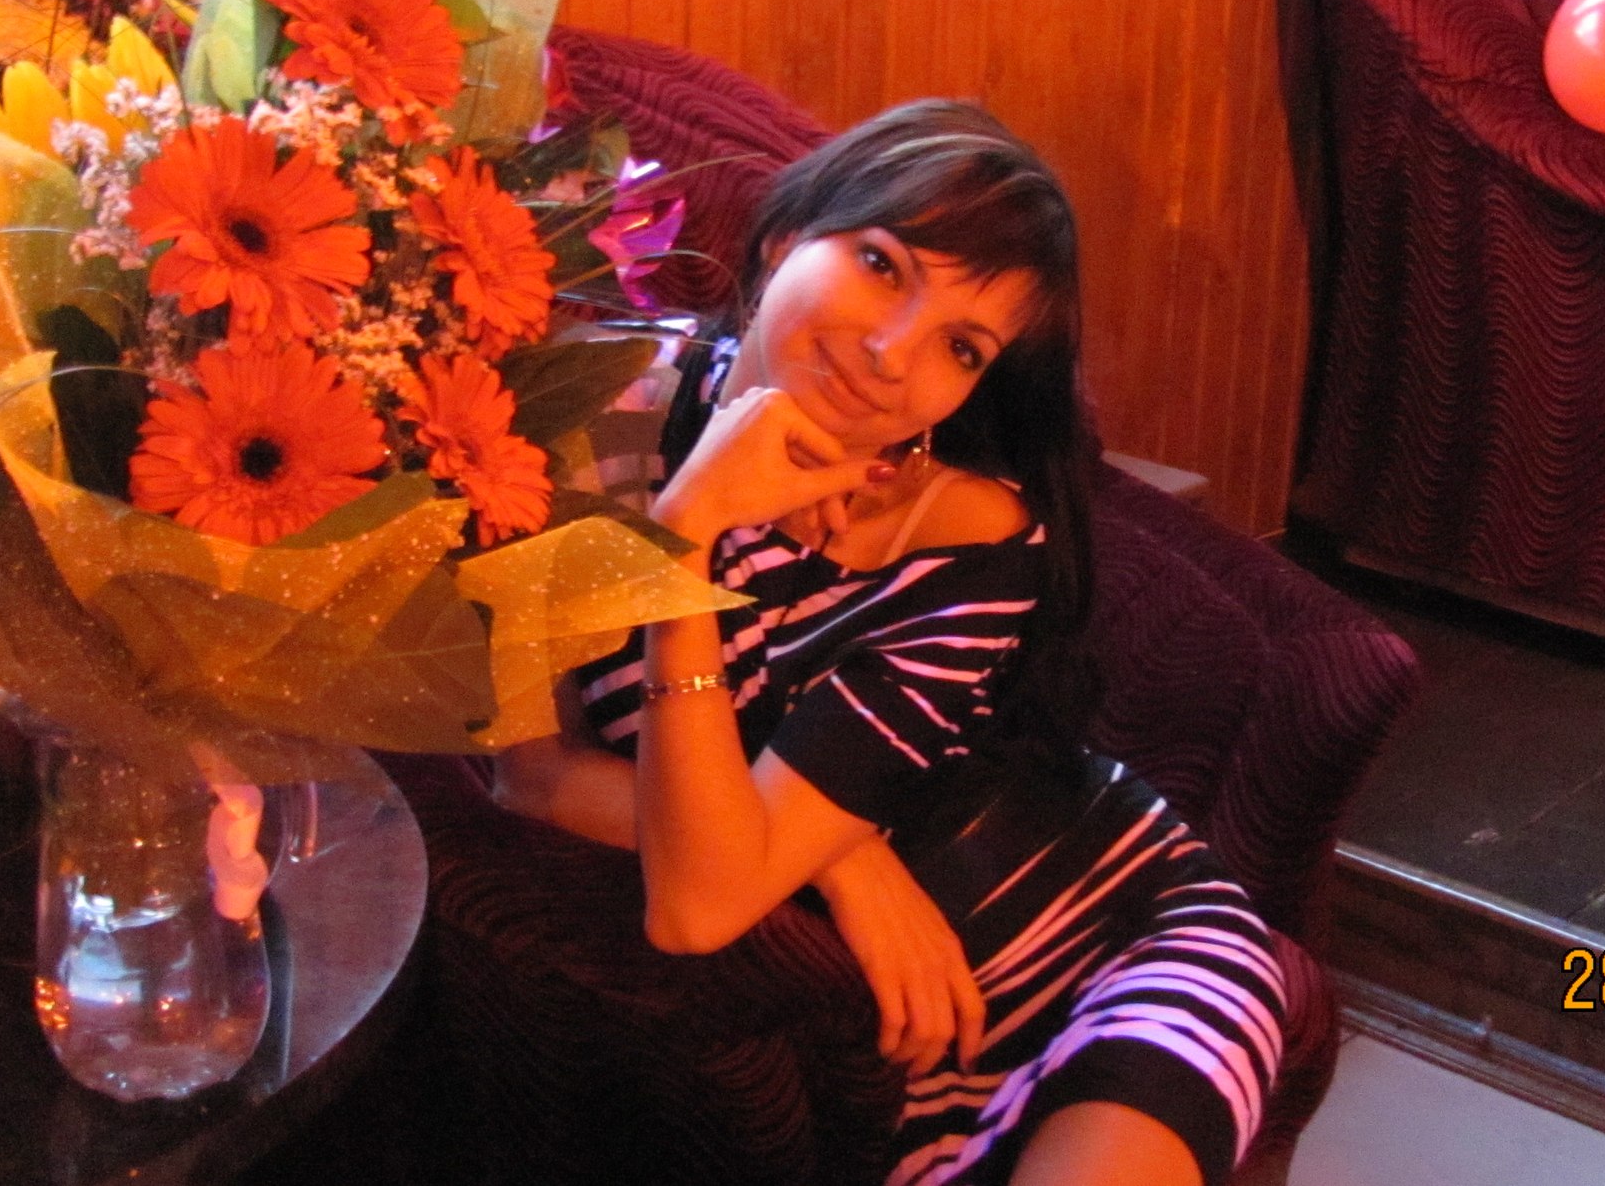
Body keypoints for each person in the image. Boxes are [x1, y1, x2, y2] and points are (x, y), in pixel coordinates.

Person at [494, 100, 1285, 1186]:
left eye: (961, 346)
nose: (887, 352)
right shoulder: (579, 418)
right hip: (901, 1017)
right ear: (785, 237)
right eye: (880, 264)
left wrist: (782, 838)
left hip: (1120, 945)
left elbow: (704, 890)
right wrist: (842, 856)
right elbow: (539, 780)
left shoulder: (971, 540)